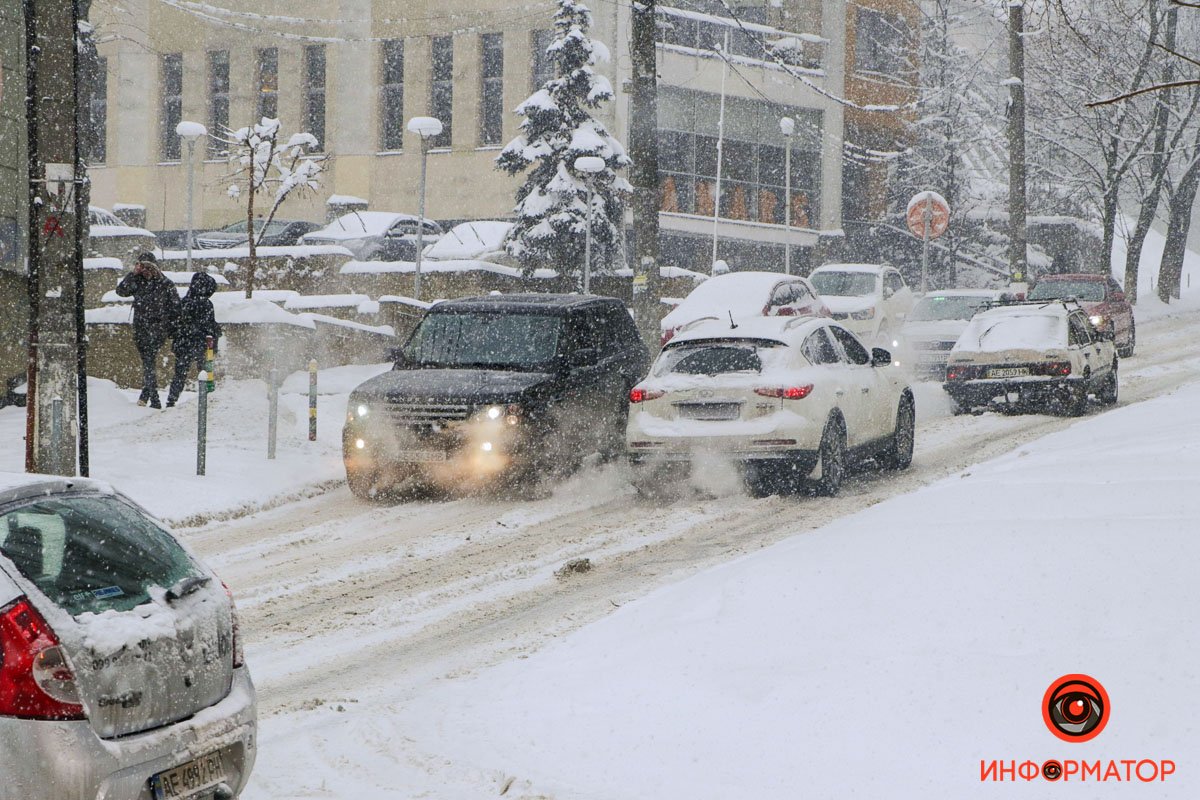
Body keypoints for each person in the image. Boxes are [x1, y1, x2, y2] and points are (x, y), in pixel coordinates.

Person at [115, 252, 180, 408]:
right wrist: (132, 274)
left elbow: (175, 307)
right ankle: (146, 395)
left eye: (148, 267)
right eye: (142, 267)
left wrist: (172, 328)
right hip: (141, 328)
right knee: (148, 361)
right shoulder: (137, 281)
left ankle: (155, 400)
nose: (146, 271)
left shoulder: (165, 283)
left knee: (148, 360)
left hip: (158, 329)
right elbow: (121, 291)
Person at [166, 272, 222, 408]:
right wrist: (214, 341)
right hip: (201, 344)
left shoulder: (184, 302)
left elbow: (175, 323)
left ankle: (171, 400)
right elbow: (209, 325)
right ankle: (208, 396)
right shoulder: (206, 304)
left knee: (180, 374)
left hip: (184, 343)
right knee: (205, 372)